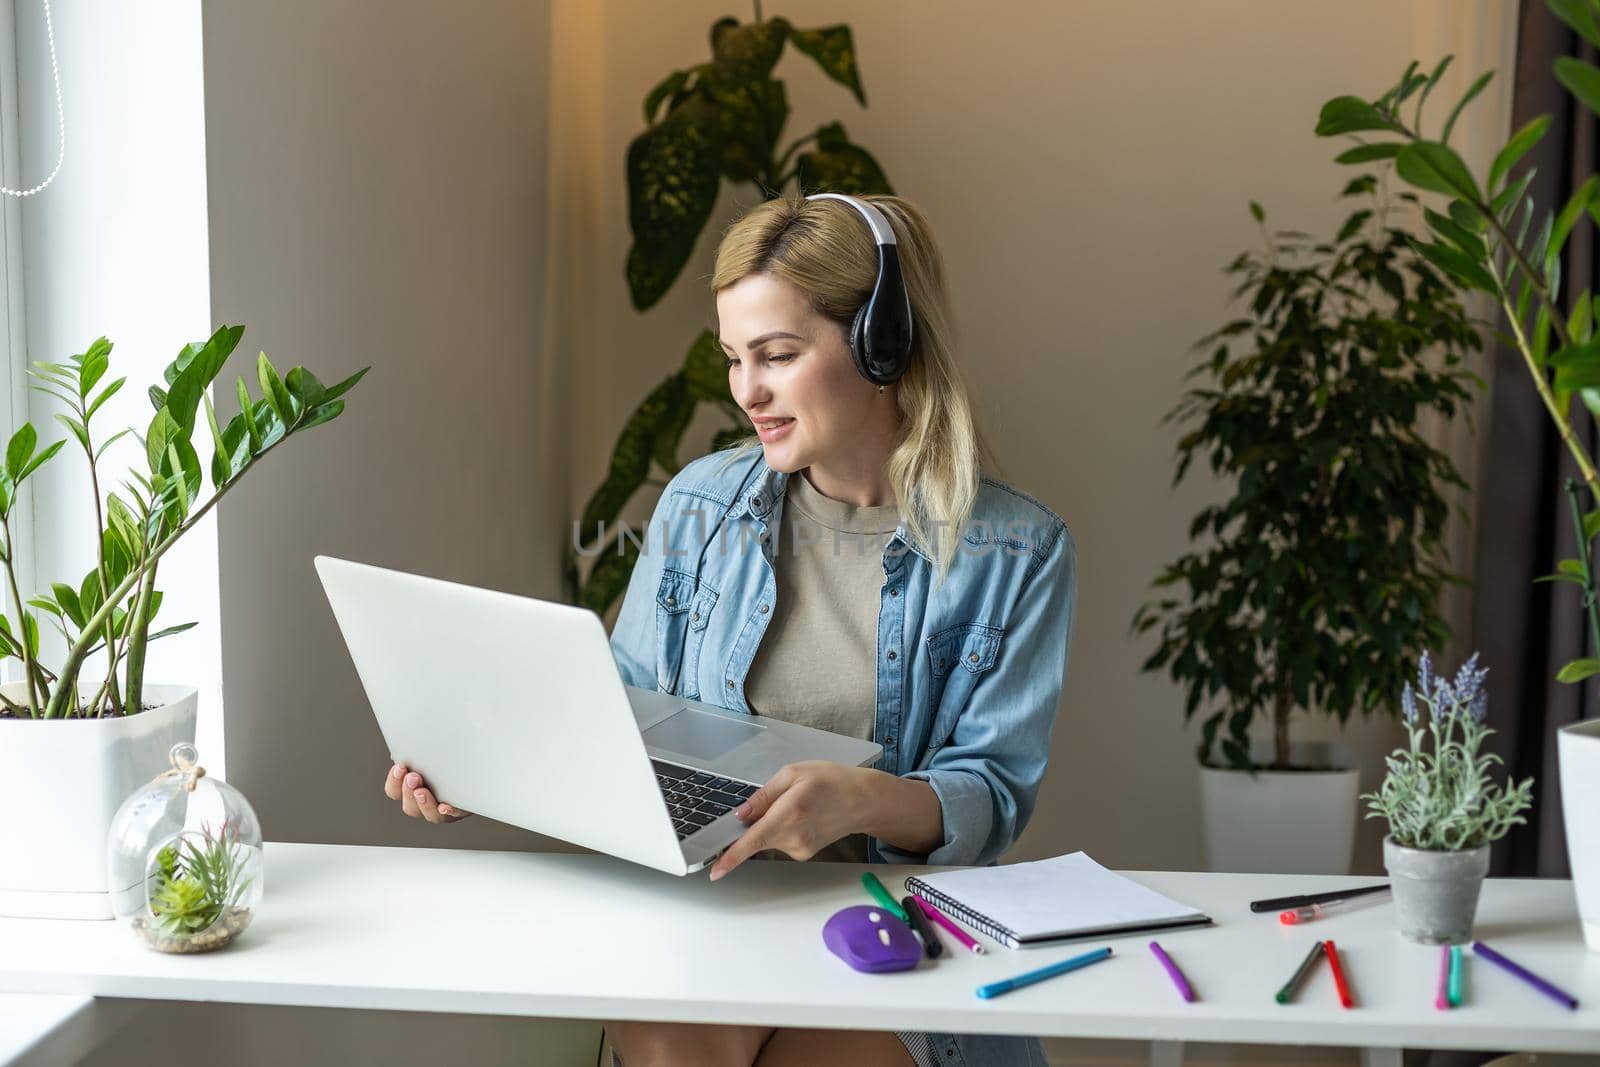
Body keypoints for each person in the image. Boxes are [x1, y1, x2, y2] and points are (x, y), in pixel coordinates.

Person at [383, 193, 1076, 1067]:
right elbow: (619, 716)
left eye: (778, 355)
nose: (747, 391)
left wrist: (858, 799)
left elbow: (992, 792)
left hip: (892, 930)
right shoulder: (697, 507)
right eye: (734, 358)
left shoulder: (1015, 548)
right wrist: (480, 764)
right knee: (672, 1041)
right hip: (706, 913)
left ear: (881, 343)